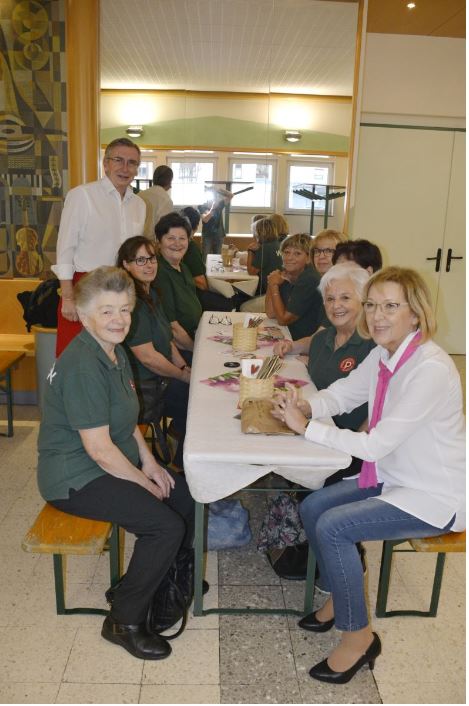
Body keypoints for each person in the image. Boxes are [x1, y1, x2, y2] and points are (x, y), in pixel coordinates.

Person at [272, 266, 465, 684]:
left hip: (434, 492)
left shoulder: (428, 368)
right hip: (395, 474)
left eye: (390, 306)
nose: (377, 316)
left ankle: (358, 637)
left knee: (336, 527)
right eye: (373, 305)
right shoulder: (385, 353)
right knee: (313, 505)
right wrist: (306, 406)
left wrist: (306, 427)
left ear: (415, 314)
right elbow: (344, 393)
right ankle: (342, 599)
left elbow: (375, 445)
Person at [37, 266, 195, 660]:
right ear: (87, 314)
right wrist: (144, 484)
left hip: (109, 460)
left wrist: (152, 464)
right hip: (74, 476)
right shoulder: (83, 366)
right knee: (163, 525)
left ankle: (163, 581)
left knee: (184, 493)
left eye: (125, 310)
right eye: (107, 311)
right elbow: (100, 450)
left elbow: (125, 422)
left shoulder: (113, 351)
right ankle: (123, 621)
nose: (119, 320)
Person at [274, 263, 374, 482]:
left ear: (363, 300)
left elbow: (377, 412)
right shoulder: (321, 339)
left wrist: (356, 451)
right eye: (330, 299)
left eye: (345, 298)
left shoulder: (374, 345)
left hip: (345, 445)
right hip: (314, 427)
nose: (336, 305)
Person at [52, 137, 145, 356]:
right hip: (84, 287)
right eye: (118, 160)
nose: (125, 168)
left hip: (120, 290)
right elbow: (65, 248)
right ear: (105, 164)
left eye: (132, 163)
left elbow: (133, 253)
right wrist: (68, 297)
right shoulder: (82, 196)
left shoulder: (139, 205)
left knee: (111, 355)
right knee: (76, 357)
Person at [117, 236, 190, 469]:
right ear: (125, 265)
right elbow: (148, 358)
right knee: (197, 401)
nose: (149, 265)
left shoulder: (152, 294)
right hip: (145, 387)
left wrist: (184, 368)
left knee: (199, 389)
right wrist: (181, 376)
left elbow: (167, 341)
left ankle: (177, 442)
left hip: (162, 377)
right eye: (140, 260)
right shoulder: (133, 303)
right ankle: (180, 467)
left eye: (151, 258)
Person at [154, 212, 202, 354]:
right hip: (181, 348)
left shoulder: (183, 267)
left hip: (194, 337)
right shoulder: (160, 273)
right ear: (159, 240)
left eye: (182, 238)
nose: (177, 244)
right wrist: (198, 351)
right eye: (171, 238)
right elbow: (173, 328)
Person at [265, 233, 323, 340]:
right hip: (288, 334)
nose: (289, 258)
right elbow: (271, 313)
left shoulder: (309, 279)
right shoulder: (288, 273)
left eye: (297, 253)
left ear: (308, 258)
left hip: (302, 342)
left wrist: (273, 285)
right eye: (286, 252)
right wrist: (272, 282)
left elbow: (283, 320)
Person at [180, 206, 234, 312]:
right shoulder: (190, 248)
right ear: (196, 227)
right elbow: (201, 283)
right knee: (230, 301)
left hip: (186, 293)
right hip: (195, 295)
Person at [247, 218, 283, 296]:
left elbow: (251, 271)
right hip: (280, 289)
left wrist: (250, 251)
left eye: (255, 232)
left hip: (267, 292)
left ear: (260, 232)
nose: (254, 235)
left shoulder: (265, 248)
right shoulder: (278, 244)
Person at [138, 165, 174, 240]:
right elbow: (164, 229)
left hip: (135, 241)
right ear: (169, 181)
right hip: (152, 243)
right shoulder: (166, 200)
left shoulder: (140, 195)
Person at [198, 188, 233, 260]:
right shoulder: (202, 207)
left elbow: (231, 195)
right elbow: (205, 219)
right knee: (205, 258)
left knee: (218, 259)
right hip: (207, 236)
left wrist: (219, 190)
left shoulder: (220, 204)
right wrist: (213, 208)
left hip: (219, 235)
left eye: (214, 195)